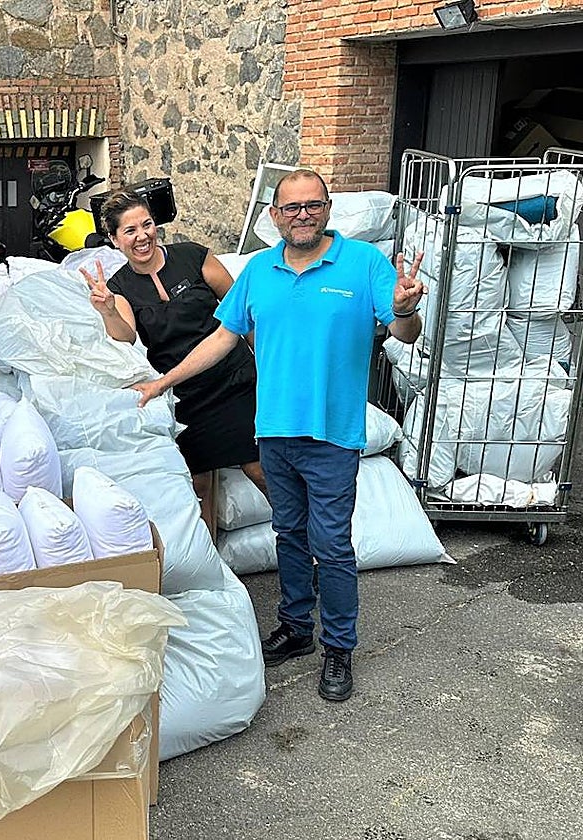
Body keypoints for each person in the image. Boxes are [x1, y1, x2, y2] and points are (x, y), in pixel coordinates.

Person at [133, 170, 425, 703]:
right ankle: (295, 627)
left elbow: (402, 330)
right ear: (274, 216)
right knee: (288, 534)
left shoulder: (363, 264)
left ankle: (339, 646)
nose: (302, 215)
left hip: (333, 434)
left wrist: (406, 309)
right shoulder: (260, 271)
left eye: (312, 205)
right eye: (291, 208)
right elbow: (223, 336)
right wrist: (163, 382)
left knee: (332, 544)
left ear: (327, 208)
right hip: (273, 431)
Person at [83, 189, 269, 537]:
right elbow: (125, 335)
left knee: (259, 468)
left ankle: (304, 542)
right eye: (130, 231)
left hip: (236, 379)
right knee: (196, 485)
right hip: (185, 395)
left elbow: (241, 313)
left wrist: (270, 364)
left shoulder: (193, 257)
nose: (142, 236)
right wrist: (107, 308)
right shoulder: (119, 286)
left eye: (147, 225)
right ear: (114, 239)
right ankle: (212, 567)